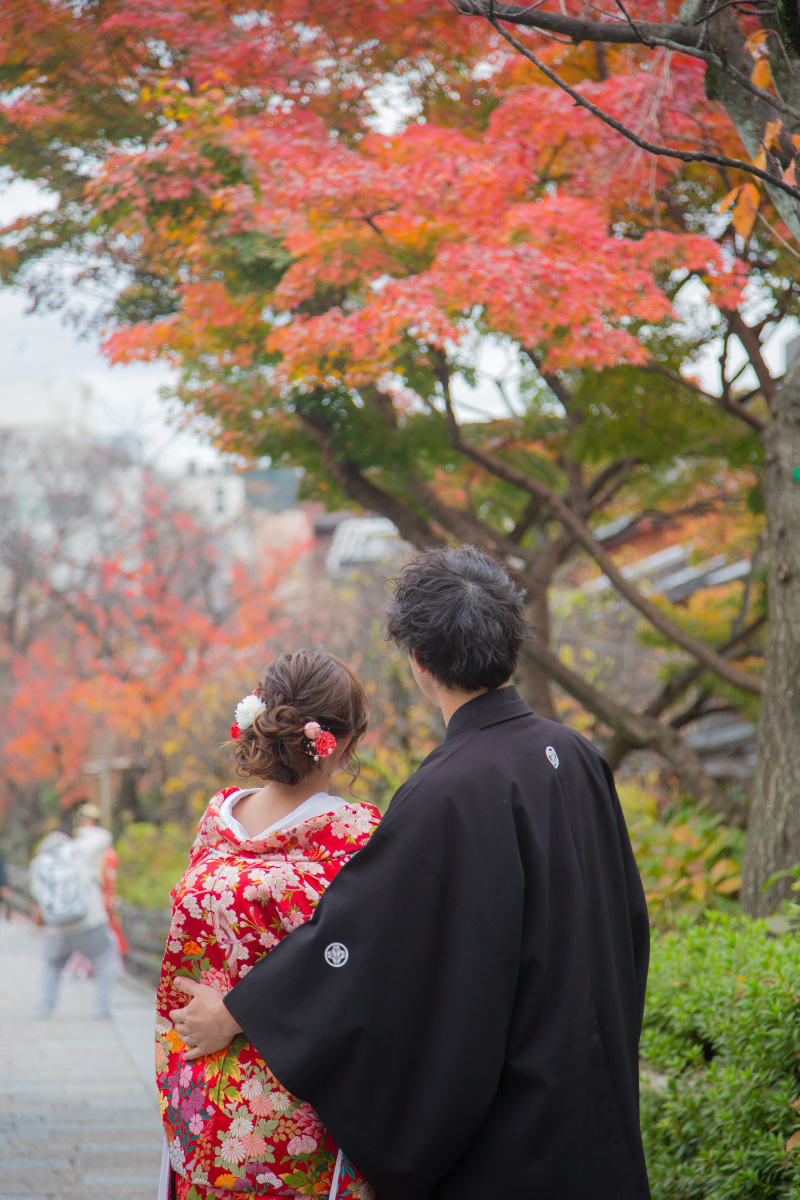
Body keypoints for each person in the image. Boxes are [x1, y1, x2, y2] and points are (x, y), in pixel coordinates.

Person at [173, 546, 652, 1200]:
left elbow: (366, 948)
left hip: (512, 1130)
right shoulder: (578, 756)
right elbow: (629, 923)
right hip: (592, 1107)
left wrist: (239, 1012)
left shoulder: (449, 790)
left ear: (419, 661)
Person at [156, 650, 382, 1200]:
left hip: (201, 1098)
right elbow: (367, 978)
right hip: (302, 1114)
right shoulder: (356, 837)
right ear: (345, 742)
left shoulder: (218, 822)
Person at [28, 817, 118, 1019]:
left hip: (56, 928)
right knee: (104, 960)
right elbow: (104, 837)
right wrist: (84, 831)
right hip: (89, 922)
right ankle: (101, 1009)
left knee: (52, 965)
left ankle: (44, 1007)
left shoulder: (38, 863)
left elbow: (37, 893)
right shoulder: (76, 851)